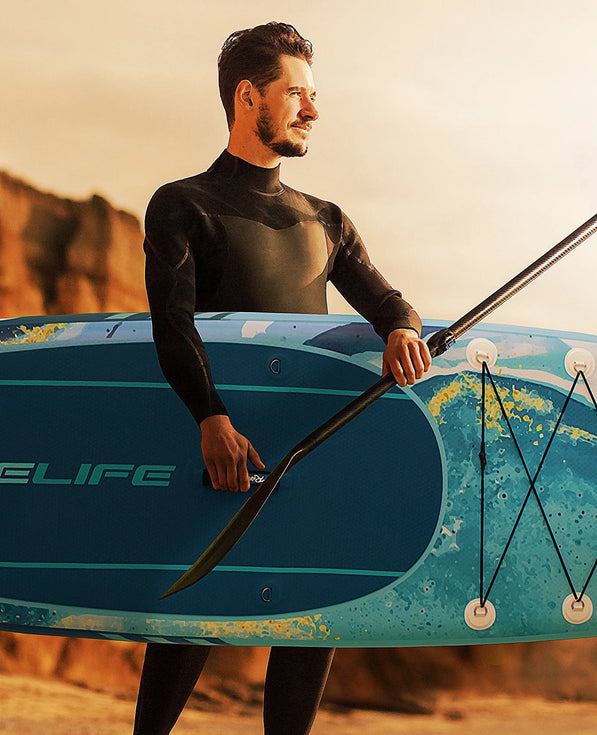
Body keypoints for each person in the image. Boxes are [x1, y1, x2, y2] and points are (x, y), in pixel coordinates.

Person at [137, 22, 431, 734]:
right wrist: (210, 415)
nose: (313, 110)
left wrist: (402, 330)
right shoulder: (183, 205)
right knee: (193, 611)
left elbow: (389, 300)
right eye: (296, 93)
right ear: (248, 98)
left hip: (311, 446)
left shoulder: (324, 221)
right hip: (226, 445)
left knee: (311, 614)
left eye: (313, 94)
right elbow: (171, 324)